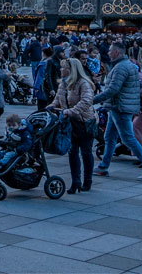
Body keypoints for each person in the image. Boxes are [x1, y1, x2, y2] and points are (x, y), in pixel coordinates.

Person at [94, 42, 142, 180]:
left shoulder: (121, 67)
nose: (108, 53)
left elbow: (113, 89)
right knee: (109, 137)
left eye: (110, 50)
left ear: (116, 52)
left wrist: (92, 100)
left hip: (120, 108)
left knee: (127, 138)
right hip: (118, 107)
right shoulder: (125, 65)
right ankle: (103, 166)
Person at [51, 55, 97, 193]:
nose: (61, 69)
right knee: (72, 152)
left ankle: (87, 181)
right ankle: (75, 181)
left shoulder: (83, 83)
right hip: (71, 122)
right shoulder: (64, 83)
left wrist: (71, 111)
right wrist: (50, 107)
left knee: (86, 152)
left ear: (71, 69)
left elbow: (87, 100)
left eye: (63, 67)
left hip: (85, 122)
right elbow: (57, 100)